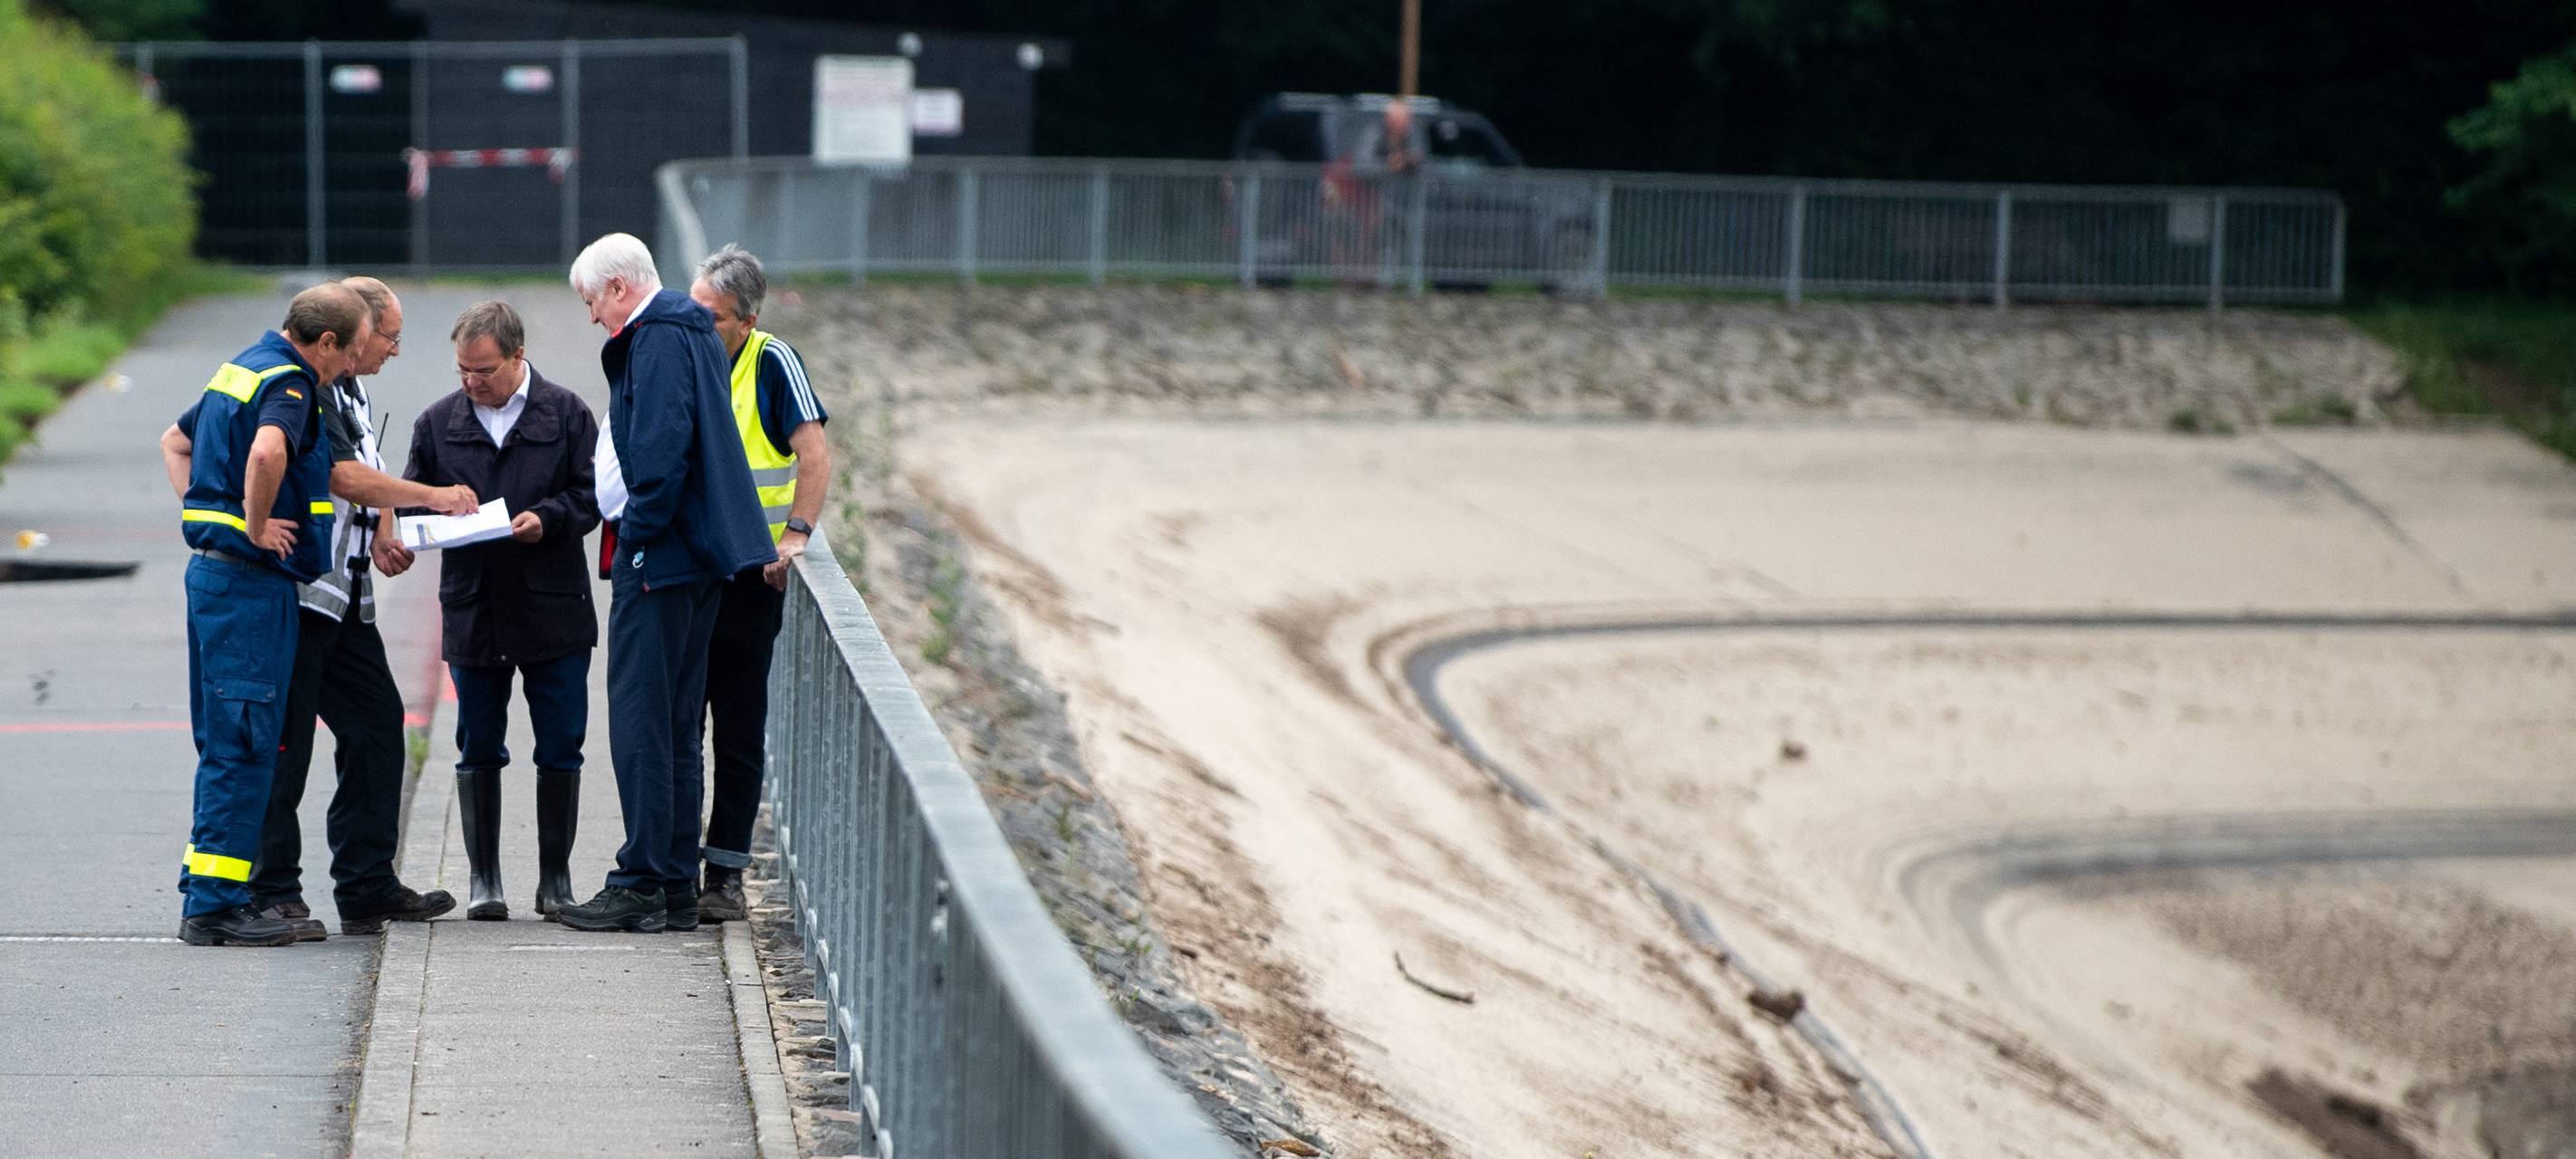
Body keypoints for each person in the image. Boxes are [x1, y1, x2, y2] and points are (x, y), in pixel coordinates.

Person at [556, 233, 771, 934]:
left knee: (643, 722)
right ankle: (675, 882)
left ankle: (643, 880)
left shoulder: (655, 338)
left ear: (619, 288)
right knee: (678, 724)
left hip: (664, 557)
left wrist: (640, 537)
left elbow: (660, 449)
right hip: (702, 558)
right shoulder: (694, 331)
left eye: (591, 301)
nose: (592, 317)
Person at [245, 278, 473, 938]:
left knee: (377, 729)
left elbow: (363, 471)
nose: (395, 351)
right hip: (300, 594)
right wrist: (430, 496)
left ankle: (367, 884)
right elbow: (339, 474)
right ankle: (273, 889)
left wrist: (385, 522)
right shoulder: (308, 381)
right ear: (351, 333)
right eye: (390, 337)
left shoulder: (351, 385)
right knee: (287, 746)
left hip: (344, 596)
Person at [157, 283, 369, 946]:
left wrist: (207, 516)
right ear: (325, 341)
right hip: (250, 585)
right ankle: (218, 907)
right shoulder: (294, 384)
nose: (352, 366)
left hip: (215, 580)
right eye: (352, 350)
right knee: (247, 744)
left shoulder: (240, 368)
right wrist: (251, 526)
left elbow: (176, 440)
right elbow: (270, 452)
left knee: (224, 739)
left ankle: (207, 888)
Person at [400, 300, 601, 921]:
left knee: (561, 744)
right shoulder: (438, 423)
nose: (470, 382)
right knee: (478, 744)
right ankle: (485, 880)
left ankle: (555, 880)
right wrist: (436, 519)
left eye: (483, 371)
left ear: (518, 357)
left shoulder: (565, 414)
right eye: (463, 369)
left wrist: (549, 520)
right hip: (475, 609)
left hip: (552, 608)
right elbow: (409, 508)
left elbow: (595, 495)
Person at [684, 245, 831, 923]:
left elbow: (814, 453)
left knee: (737, 729)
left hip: (750, 576)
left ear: (747, 319)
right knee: (677, 724)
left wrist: (795, 535)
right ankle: (671, 865)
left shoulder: (772, 361)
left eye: (709, 317)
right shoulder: (682, 352)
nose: (696, 325)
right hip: (686, 573)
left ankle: (725, 876)